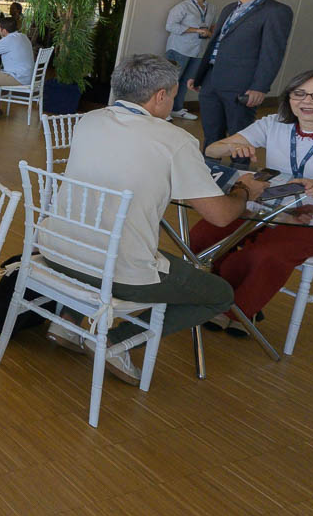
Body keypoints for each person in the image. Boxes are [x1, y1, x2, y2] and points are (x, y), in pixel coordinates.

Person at [37, 55, 248, 382]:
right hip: (114, 272)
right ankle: (116, 342)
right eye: (175, 94)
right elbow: (220, 216)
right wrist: (245, 192)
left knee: (104, 238)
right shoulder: (175, 140)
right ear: (161, 96)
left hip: (56, 250)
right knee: (219, 294)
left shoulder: (89, 120)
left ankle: (66, 322)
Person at [196, 68, 313, 332]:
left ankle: (236, 310)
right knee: (203, 236)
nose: (307, 101)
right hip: (268, 206)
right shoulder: (274, 122)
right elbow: (212, 149)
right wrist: (230, 146)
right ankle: (231, 300)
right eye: (299, 93)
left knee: (262, 254)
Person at [188, 0, 294, 145]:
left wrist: (260, 87)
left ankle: (240, 170)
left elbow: (272, 53)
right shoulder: (229, 9)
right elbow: (215, 45)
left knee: (240, 138)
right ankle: (210, 169)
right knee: (211, 134)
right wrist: (200, 76)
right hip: (211, 79)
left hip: (241, 84)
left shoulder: (276, 12)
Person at [162, 0, 217, 121]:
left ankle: (177, 109)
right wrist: (196, 30)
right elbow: (170, 26)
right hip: (180, 48)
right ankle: (163, 111)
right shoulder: (182, 7)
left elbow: (212, 25)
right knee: (172, 80)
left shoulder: (212, 8)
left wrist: (212, 32)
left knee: (188, 81)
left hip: (199, 50)